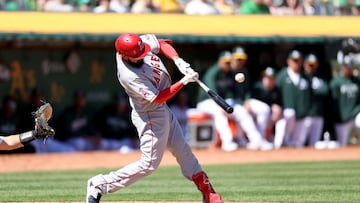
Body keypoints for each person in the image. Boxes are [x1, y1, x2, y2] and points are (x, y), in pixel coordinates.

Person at [86, 33, 224, 203]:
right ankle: (99, 184)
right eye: (138, 55)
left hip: (161, 110)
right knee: (149, 164)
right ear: (125, 56)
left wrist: (178, 60)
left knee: (183, 151)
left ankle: (208, 192)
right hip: (150, 116)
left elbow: (162, 43)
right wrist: (184, 82)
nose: (143, 54)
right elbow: (158, 97)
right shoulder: (129, 75)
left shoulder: (136, 45)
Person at [197, 51, 273, 151]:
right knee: (219, 113)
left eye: (229, 62)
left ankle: (257, 140)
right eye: (226, 62)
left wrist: (241, 103)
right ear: (220, 61)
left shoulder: (231, 73)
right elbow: (212, 92)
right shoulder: (213, 72)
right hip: (206, 102)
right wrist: (221, 105)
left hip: (222, 101)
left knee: (242, 112)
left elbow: (234, 93)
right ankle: (227, 142)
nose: (228, 64)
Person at [274, 50, 312, 148]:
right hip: (285, 114)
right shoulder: (282, 76)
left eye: (298, 60)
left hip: (301, 115)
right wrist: (276, 105)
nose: (296, 63)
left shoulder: (305, 77)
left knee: (297, 144)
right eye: (294, 60)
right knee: (289, 114)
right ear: (288, 61)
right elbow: (274, 93)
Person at [244, 67, 282, 141]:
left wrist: (276, 107)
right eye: (266, 78)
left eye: (271, 78)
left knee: (275, 112)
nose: (268, 80)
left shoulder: (276, 90)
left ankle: (271, 139)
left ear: (275, 80)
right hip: (252, 114)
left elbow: (277, 105)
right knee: (264, 110)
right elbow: (247, 102)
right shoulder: (257, 87)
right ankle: (259, 139)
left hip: (266, 117)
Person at [329, 55, 360, 146]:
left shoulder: (357, 80)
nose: (348, 68)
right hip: (342, 117)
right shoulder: (336, 82)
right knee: (342, 144)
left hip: (355, 114)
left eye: (350, 66)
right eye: (346, 66)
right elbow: (333, 102)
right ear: (342, 67)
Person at [302, 54, 329, 147]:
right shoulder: (301, 77)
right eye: (309, 65)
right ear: (304, 64)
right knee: (299, 142)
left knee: (314, 144)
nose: (311, 67)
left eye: (313, 65)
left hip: (317, 114)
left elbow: (325, 90)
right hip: (304, 116)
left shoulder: (320, 78)